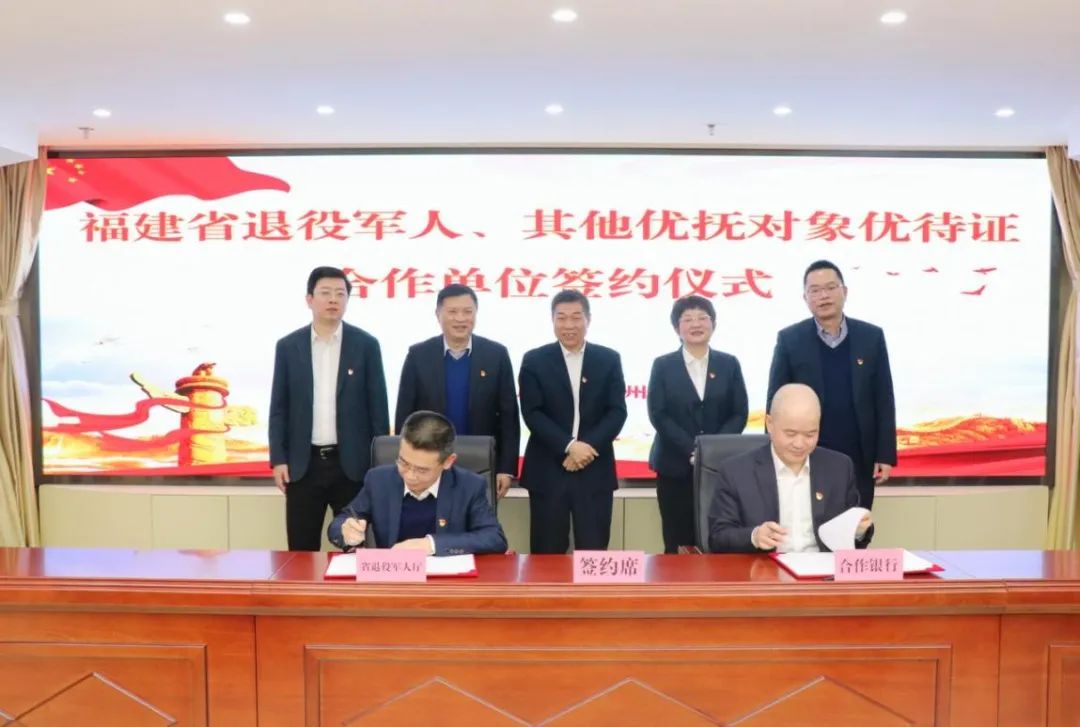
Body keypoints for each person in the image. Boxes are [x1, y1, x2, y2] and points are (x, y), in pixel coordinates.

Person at [269, 266, 389, 551]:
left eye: (340, 293)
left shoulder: (366, 345)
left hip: (353, 467)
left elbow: (378, 410)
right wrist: (279, 459)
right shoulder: (288, 346)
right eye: (325, 293)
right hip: (303, 466)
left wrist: (379, 465)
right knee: (301, 549)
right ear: (309, 299)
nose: (333, 299)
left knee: (356, 548)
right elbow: (279, 407)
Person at [766, 259, 896, 510]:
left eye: (830, 288)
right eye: (814, 290)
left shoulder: (871, 337)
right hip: (806, 450)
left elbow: (883, 398)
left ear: (844, 291)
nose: (823, 296)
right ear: (805, 298)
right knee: (807, 519)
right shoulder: (790, 340)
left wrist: (885, 454)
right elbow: (775, 400)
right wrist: (772, 452)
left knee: (856, 521)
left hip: (859, 452)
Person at [518, 290, 627, 554]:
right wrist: (569, 446)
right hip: (548, 469)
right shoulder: (534, 360)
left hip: (594, 468)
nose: (569, 325)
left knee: (594, 552)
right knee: (546, 553)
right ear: (552, 320)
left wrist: (586, 448)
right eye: (562, 318)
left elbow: (616, 412)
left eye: (576, 317)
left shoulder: (608, 359)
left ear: (588, 320)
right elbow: (532, 412)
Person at [708, 383, 873, 553]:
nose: (799, 444)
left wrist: (858, 531)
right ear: (770, 424)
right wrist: (754, 536)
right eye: (790, 434)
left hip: (822, 567)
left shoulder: (839, 468)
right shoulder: (737, 472)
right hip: (765, 567)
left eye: (810, 434)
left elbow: (854, 541)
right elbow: (718, 537)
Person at [394, 284, 520, 498]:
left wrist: (506, 468)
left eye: (467, 311)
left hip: (481, 462)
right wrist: (406, 464)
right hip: (428, 462)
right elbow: (404, 416)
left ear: (476, 314)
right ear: (438, 314)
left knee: (479, 518)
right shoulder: (418, 355)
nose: (460, 319)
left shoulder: (496, 355)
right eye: (452, 312)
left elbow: (509, 417)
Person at [647, 295, 748, 553]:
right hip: (674, 467)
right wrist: (694, 450)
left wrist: (713, 450)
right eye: (688, 319)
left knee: (718, 538)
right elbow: (658, 414)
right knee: (677, 541)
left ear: (713, 324)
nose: (696, 324)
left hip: (719, 469)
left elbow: (739, 413)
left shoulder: (729, 364)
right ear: (676, 328)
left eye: (703, 317)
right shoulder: (663, 365)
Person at [327, 410, 507, 555]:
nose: (410, 475)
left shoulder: (469, 486)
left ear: (448, 462)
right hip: (394, 581)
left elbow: (494, 538)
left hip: (446, 584)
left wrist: (431, 544)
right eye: (403, 462)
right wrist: (345, 530)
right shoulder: (379, 480)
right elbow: (339, 522)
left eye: (422, 470)